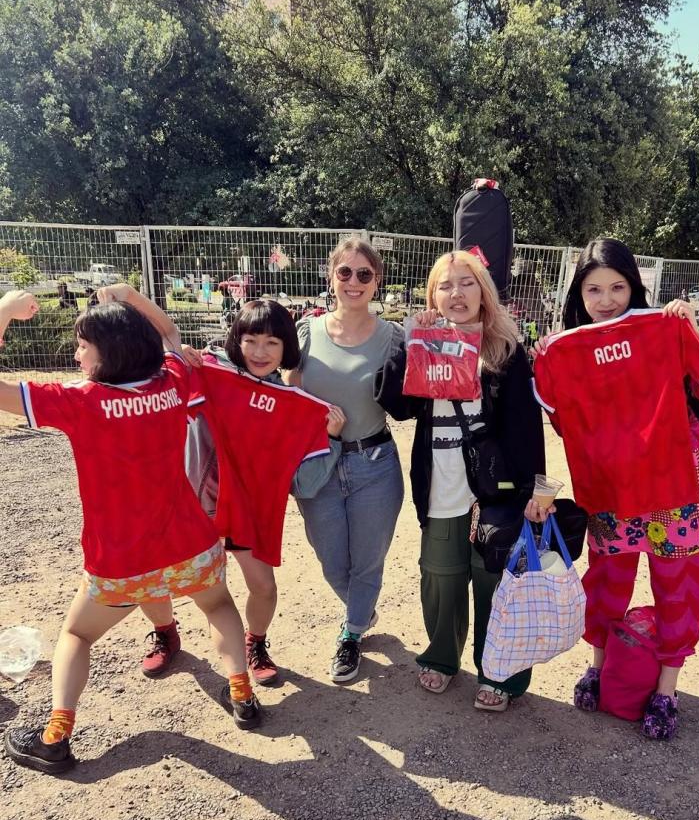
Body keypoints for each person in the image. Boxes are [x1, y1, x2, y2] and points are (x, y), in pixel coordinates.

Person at [0, 287, 262, 775]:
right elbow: (170, 332)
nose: (76, 354)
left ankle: (55, 736)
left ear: (108, 351)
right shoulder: (170, 382)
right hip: (191, 546)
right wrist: (130, 297)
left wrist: (5, 312)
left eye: (83, 344)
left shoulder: (79, 401)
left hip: (121, 562)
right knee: (219, 605)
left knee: (77, 633)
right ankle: (243, 697)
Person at [532, 238, 699, 740]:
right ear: (578, 293)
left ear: (634, 286)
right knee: (606, 579)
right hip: (612, 486)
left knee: (679, 586)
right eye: (593, 288)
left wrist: (690, 330)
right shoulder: (565, 349)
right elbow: (561, 421)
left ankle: (667, 690)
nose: (606, 300)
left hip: (677, 483)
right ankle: (600, 667)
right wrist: (550, 356)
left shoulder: (663, 327)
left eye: (617, 287)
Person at [377, 250, 548, 712]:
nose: (457, 293)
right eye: (446, 285)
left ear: (484, 292)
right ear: (432, 294)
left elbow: (526, 427)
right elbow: (397, 404)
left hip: (495, 490)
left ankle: (500, 673)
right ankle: (441, 656)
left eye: (466, 283)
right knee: (440, 579)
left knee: (494, 581)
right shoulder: (425, 342)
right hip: (439, 485)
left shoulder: (506, 351)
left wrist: (537, 489)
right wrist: (408, 342)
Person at [138, 299, 336, 686]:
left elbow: (307, 479)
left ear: (287, 348)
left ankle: (255, 641)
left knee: (262, 586)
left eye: (272, 342)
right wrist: (182, 356)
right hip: (191, 500)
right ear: (236, 340)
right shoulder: (209, 372)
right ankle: (166, 631)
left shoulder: (293, 405)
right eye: (250, 340)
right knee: (152, 575)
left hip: (247, 508)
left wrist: (334, 435)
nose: (260, 352)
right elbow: (163, 341)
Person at [287, 236, 405, 683]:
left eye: (364, 274)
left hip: (374, 462)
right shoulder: (306, 332)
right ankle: (363, 610)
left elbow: (432, 372)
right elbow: (287, 396)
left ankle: (351, 634)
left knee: (368, 561)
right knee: (332, 560)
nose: (354, 282)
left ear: (377, 281)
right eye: (345, 272)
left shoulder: (394, 336)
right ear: (330, 276)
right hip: (319, 463)